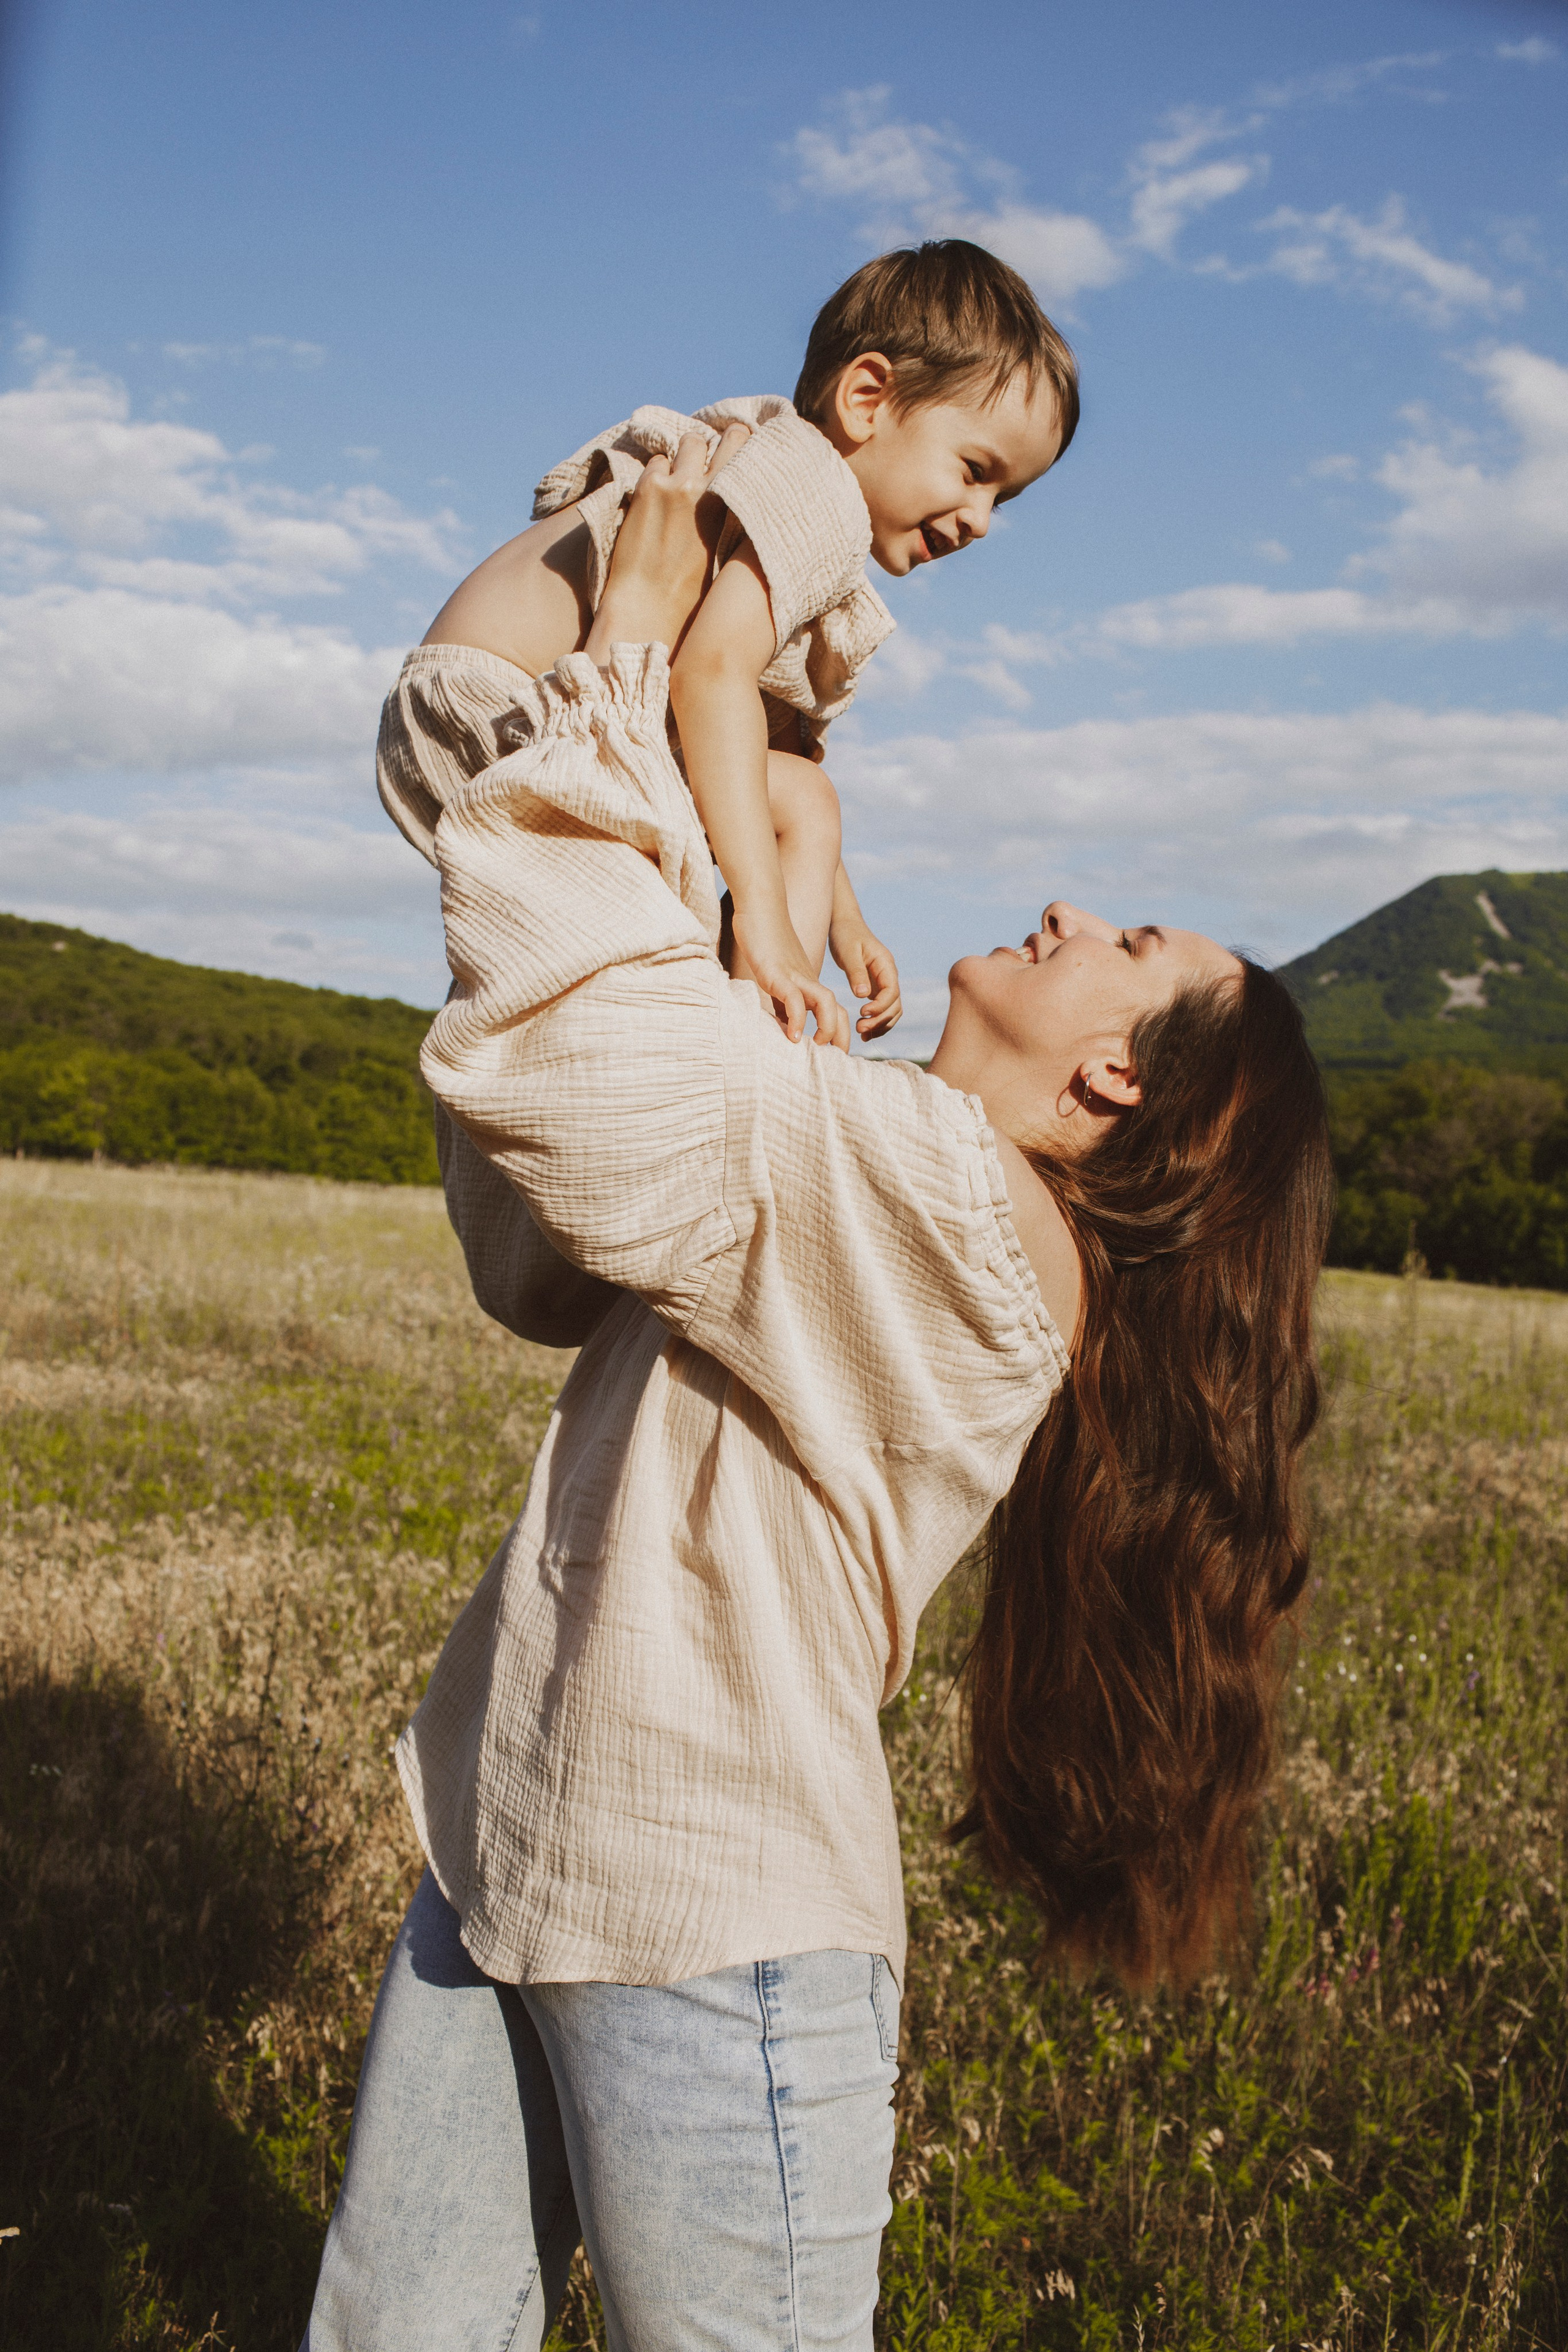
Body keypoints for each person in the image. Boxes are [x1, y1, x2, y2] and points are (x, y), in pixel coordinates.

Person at [303, 437, 1333, 2352]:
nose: (1068, 910)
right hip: (521, 1828)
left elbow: (589, 1067)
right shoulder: (876, 1150)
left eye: (1128, 946)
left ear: (1120, 1079)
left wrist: (631, 644)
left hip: (715, 1923)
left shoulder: (968, 1220)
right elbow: (544, 1246)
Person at [378, 239, 1076, 1050]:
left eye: (1006, 497)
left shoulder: (781, 466)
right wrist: (770, 921)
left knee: (799, 800)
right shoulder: (822, 490)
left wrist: (845, 924)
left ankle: (751, 1019)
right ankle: (764, 1033)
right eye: (974, 469)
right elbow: (711, 677)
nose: (981, 519)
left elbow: (750, 750)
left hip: (472, 697)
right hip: (500, 707)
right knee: (754, 862)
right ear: (866, 399)